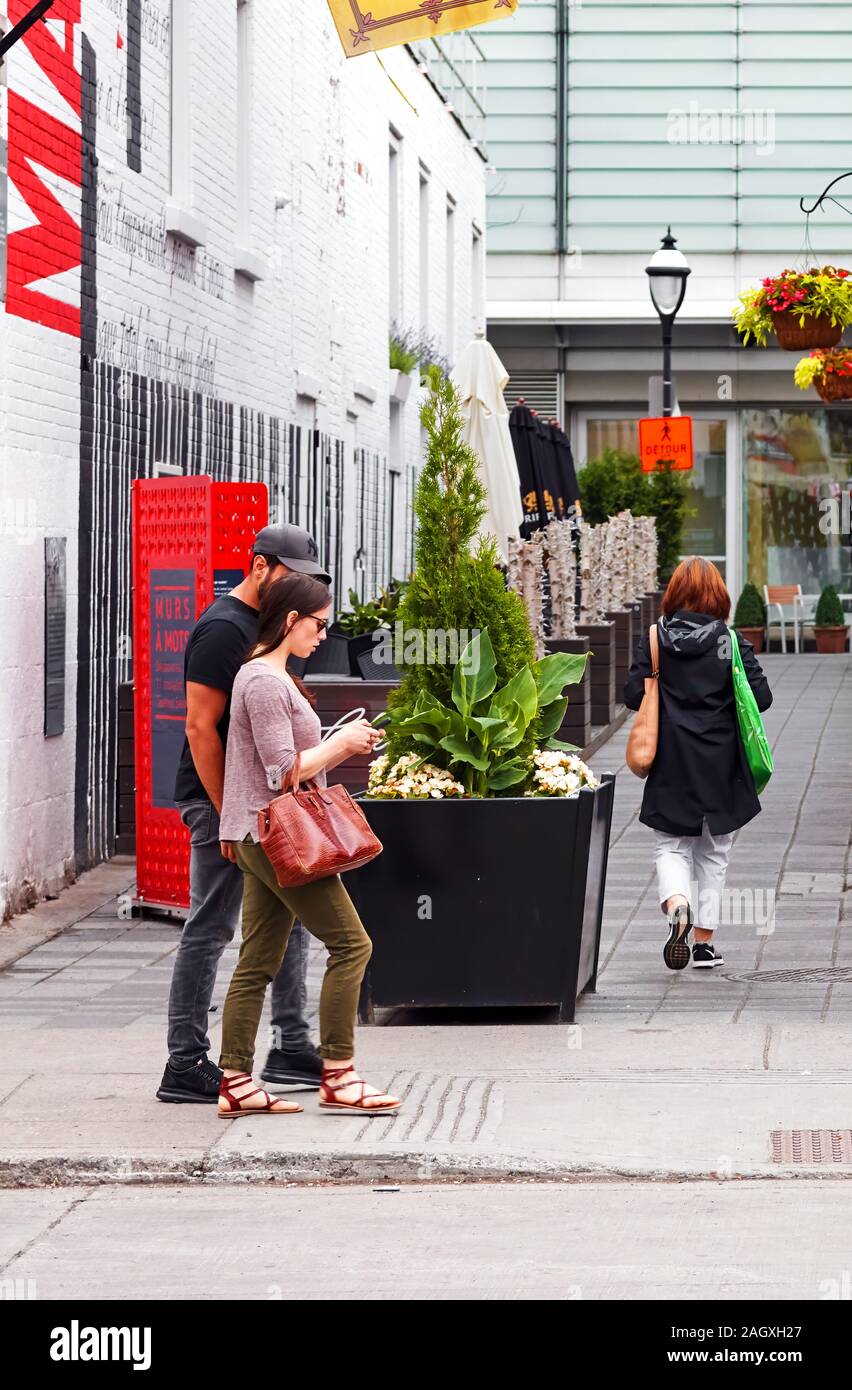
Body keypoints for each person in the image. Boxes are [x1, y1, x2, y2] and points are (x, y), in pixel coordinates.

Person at [156, 525, 331, 1104]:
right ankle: (185, 1061)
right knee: (211, 925)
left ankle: (290, 1045)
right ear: (259, 566)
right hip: (223, 803)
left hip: (267, 801)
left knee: (290, 920)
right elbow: (200, 726)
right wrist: (225, 813)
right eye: (291, 574)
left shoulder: (270, 626)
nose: (300, 587)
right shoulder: (222, 630)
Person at [216, 573, 400, 1117]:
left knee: (257, 960)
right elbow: (281, 773)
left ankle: (235, 1082)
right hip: (280, 837)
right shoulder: (266, 682)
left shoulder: (266, 677)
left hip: (260, 834)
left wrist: (333, 742)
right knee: (352, 946)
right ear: (291, 620)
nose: (324, 635)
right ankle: (339, 1075)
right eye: (319, 624)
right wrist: (340, 744)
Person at [624, 556, 773, 972]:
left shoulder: (655, 638)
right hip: (721, 759)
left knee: (671, 844)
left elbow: (633, 695)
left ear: (674, 593)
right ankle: (705, 945)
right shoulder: (729, 639)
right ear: (717, 594)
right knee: (715, 850)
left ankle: (678, 904)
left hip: (671, 757)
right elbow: (761, 699)